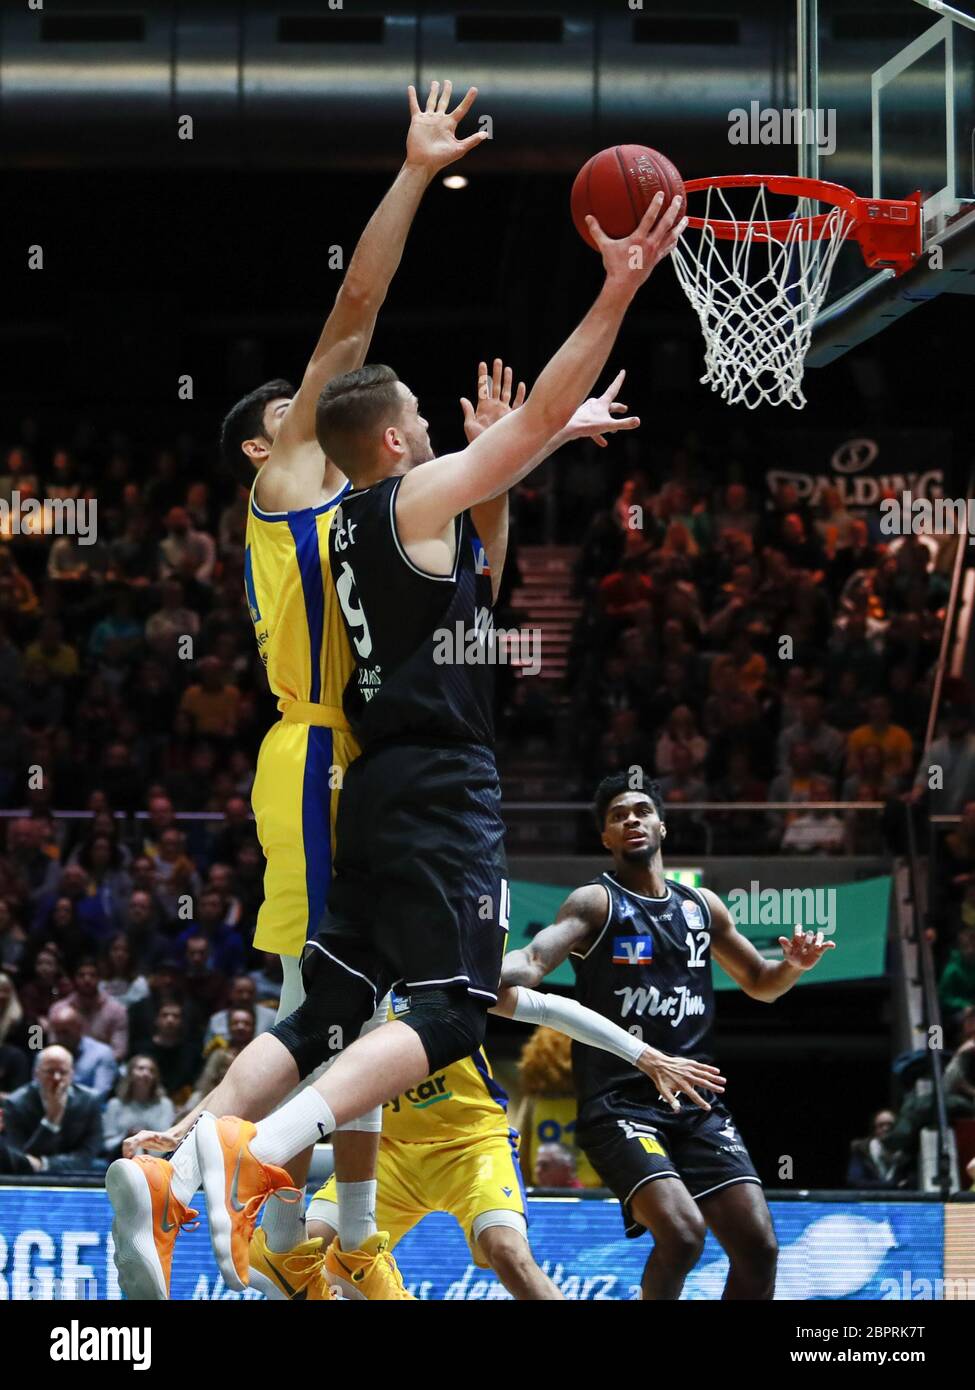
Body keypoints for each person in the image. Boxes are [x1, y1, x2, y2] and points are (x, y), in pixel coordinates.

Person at [107, 170, 685, 1299]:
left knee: (329, 997)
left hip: (368, 777)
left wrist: (526, 450)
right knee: (450, 1004)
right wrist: (614, 292)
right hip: (396, 773)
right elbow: (451, 399)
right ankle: (257, 1158)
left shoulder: (366, 530)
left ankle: (184, 1159)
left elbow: (481, 577)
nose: (429, 425)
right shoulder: (369, 497)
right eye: (416, 419)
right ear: (384, 442)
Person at [499, 771, 834, 1300]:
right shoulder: (595, 903)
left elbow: (761, 984)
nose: (630, 818)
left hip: (695, 1102)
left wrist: (792, 965)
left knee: (759, 1247)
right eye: (616, 816)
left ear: (662, 826)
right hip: (618, 1104)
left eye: (640, 810)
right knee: (682, 1236)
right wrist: (478, 972)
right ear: (606, 839)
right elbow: (535, 960)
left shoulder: (702, 907)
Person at [2, 1045, 104, 1173]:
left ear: (72, 1074)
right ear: (36, 1073)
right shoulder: (15, 1103)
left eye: (63, 1072)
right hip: (29, 1181)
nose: (57, 1077)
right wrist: (51, 1121)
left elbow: (87, 1155)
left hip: (77, 1176)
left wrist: (44, 1164)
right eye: (50, 1071)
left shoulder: (90, 1101)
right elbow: (18, 1159)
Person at [103, 1056, 175, 1161]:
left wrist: (145, 1141)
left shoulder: (165, 1104)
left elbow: (166, 1141)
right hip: (120, 1158)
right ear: (130, 1074)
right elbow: (108, 1144)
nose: (146, 1073)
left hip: (155, 1161)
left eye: (151, 1070)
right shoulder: (115, 1104)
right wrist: (126, 1136)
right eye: (141, 1068)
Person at [46, 1000, 117, 1100]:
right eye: (57, 1033)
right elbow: (38, 1090)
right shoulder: (46, 1056)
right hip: (54, 1109)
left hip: (88, 1111)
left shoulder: (102, 1053)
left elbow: (99, 1094)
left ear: (79, 1028)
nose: (61, 1038)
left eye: (65, 1032)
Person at [63, 957, 129, 1060]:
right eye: (82, 975)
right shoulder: (60, 1009)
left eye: (92, 975)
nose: (87, 979)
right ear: (74, 979)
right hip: (68, 1064)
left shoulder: (117, 1010)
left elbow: (119, 1051)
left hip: (105, 1065)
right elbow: (54, 1045)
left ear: (99, 978)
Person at [845, 1109, 900, 1188]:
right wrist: (892, 1185)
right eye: (881, 1125)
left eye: (890, 1125)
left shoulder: (905, 1152)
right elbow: (855, 1181)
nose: (885, 1129)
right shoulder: (862, 1150)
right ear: (874, 1129)